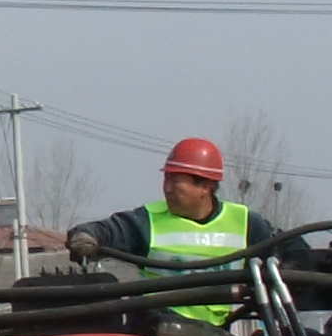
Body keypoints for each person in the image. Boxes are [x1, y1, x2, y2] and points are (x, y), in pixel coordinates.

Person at [63, 136, 287, 325]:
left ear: (206, 187)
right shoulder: (147, 221)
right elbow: (107, 231)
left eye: (176, 181)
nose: (167, 189)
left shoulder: (247, 224)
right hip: (156, 334)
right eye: (166, 178)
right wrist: (86, 237)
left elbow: (289, 249)